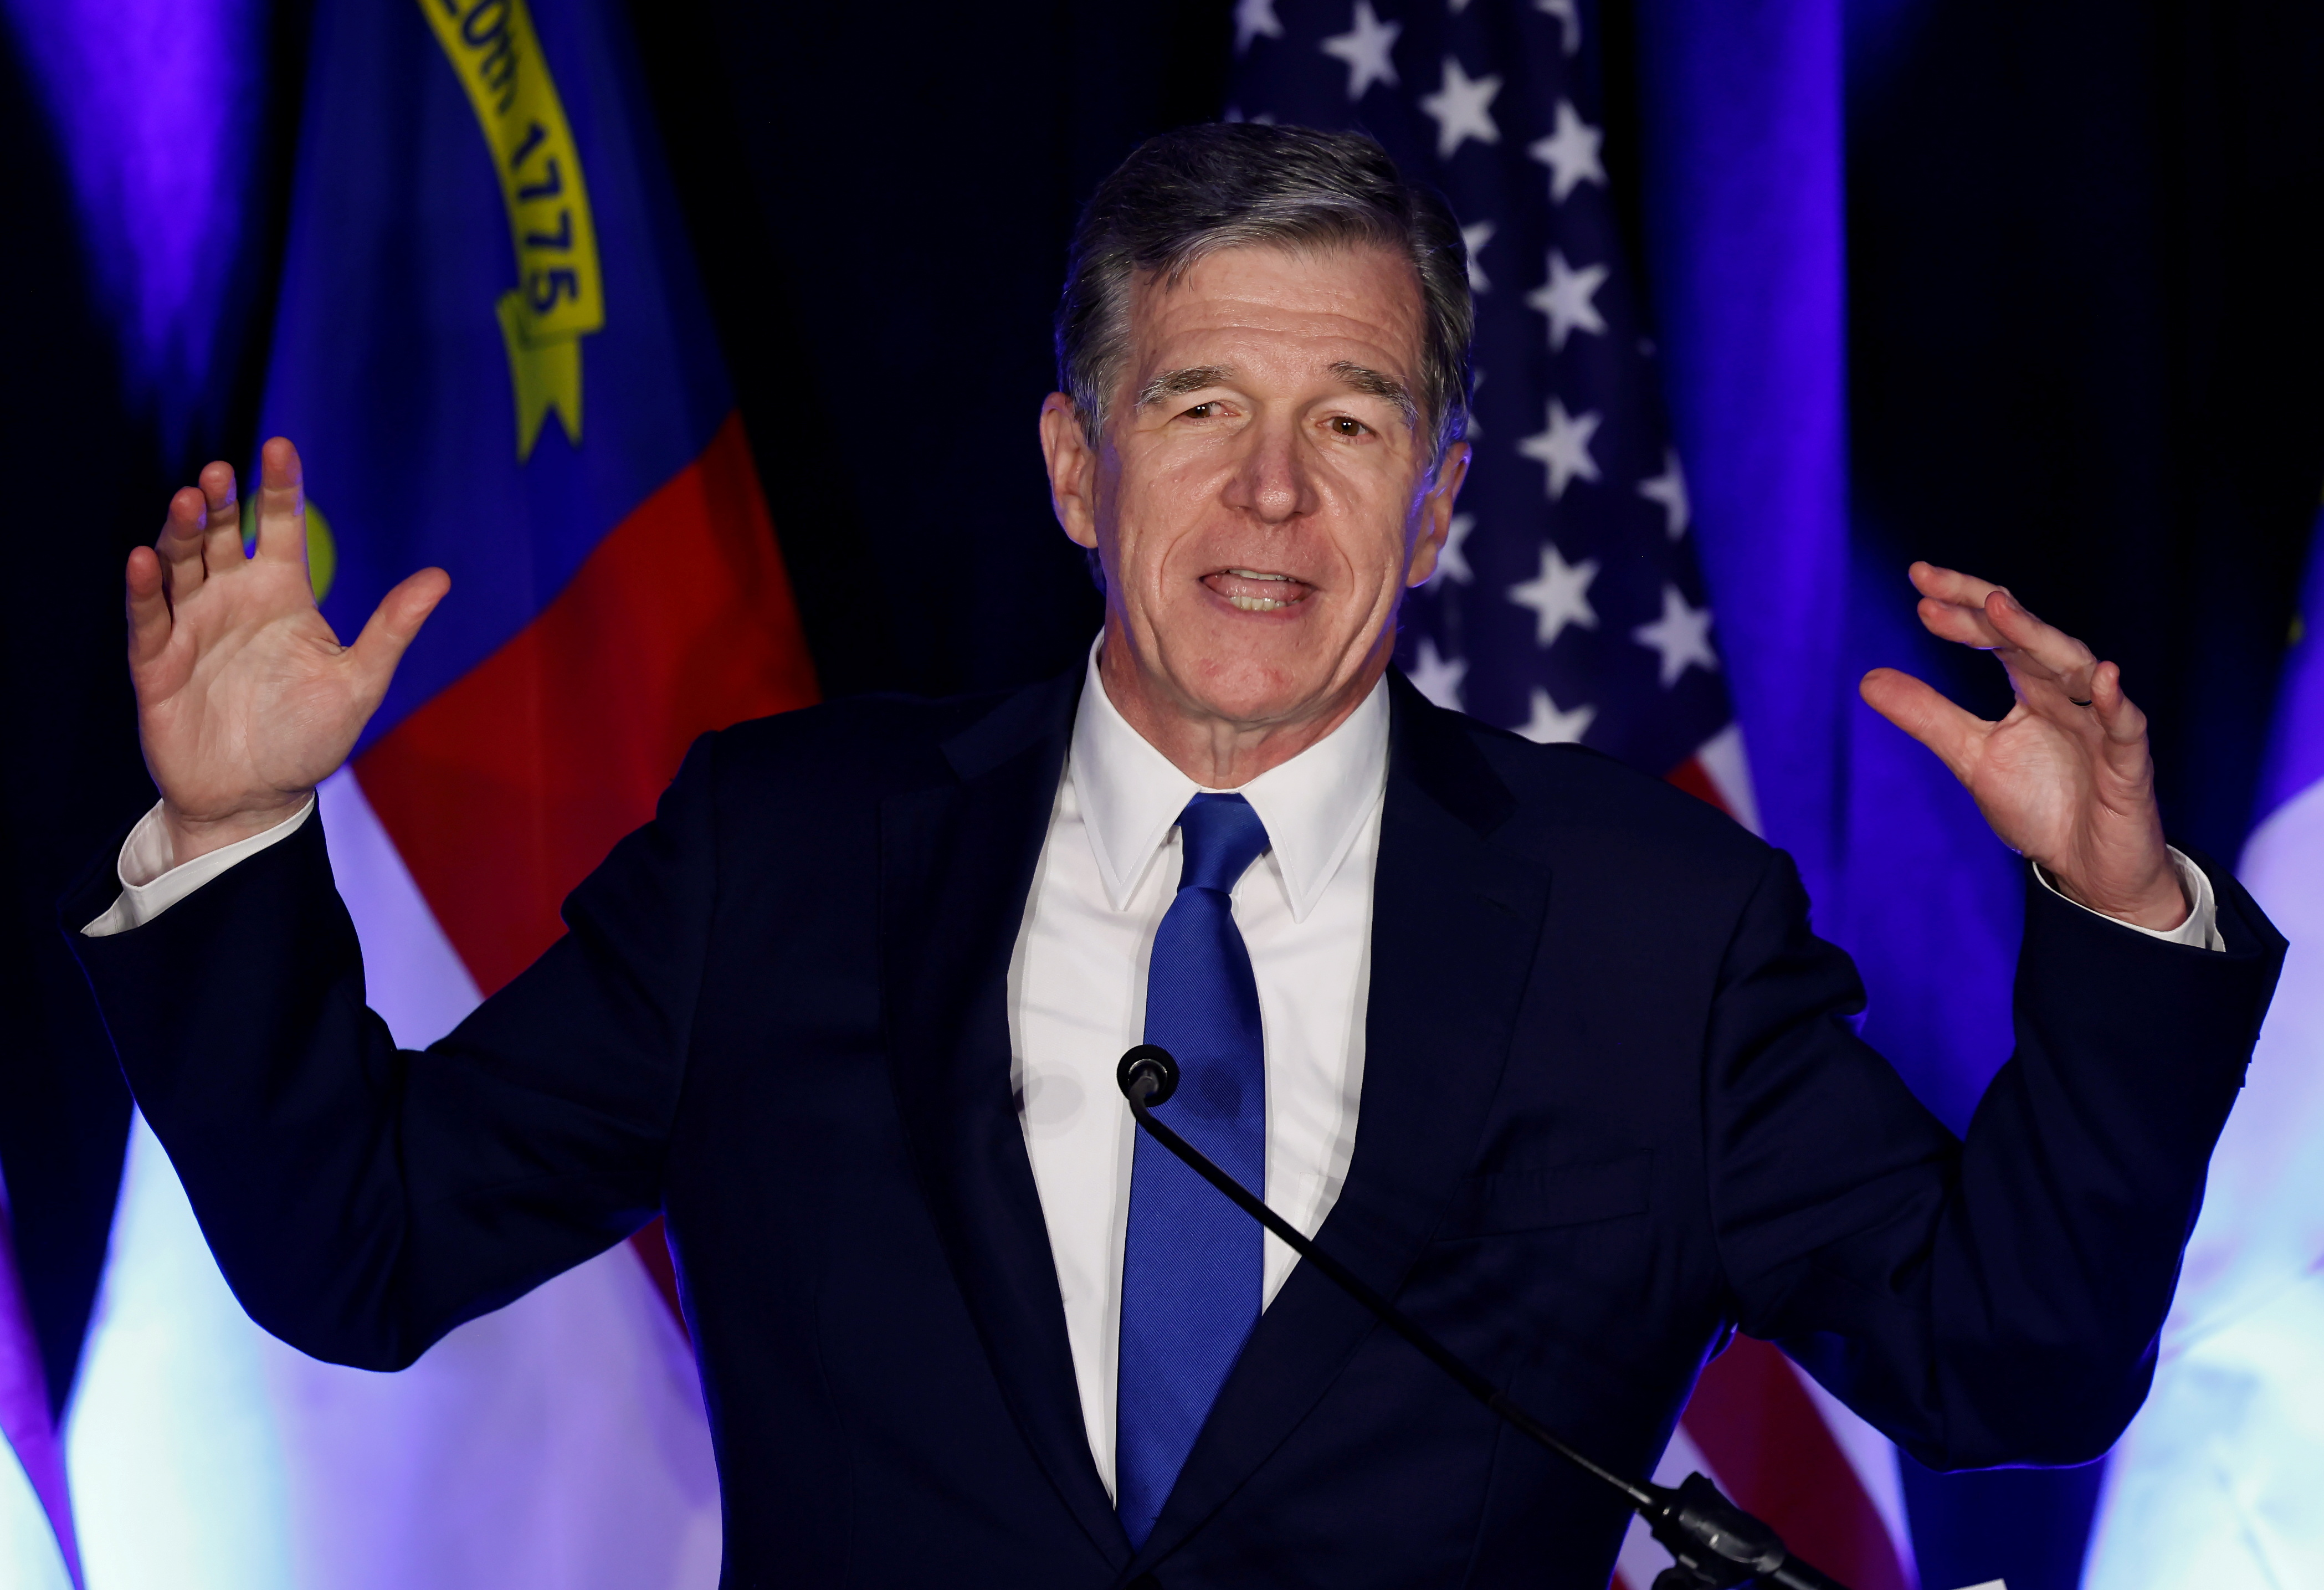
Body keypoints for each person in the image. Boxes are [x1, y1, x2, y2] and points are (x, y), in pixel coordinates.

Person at [70, 125, 2282, 1588]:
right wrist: (244, 830)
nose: (1268, 498)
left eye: (1348, 426)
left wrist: (2115, 923)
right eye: (1198, 408)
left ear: (1432, 509)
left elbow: (2007, 1367)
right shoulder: (791, 856)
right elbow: (361, 1248)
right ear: (1070, 463)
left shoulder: (1650, 930)